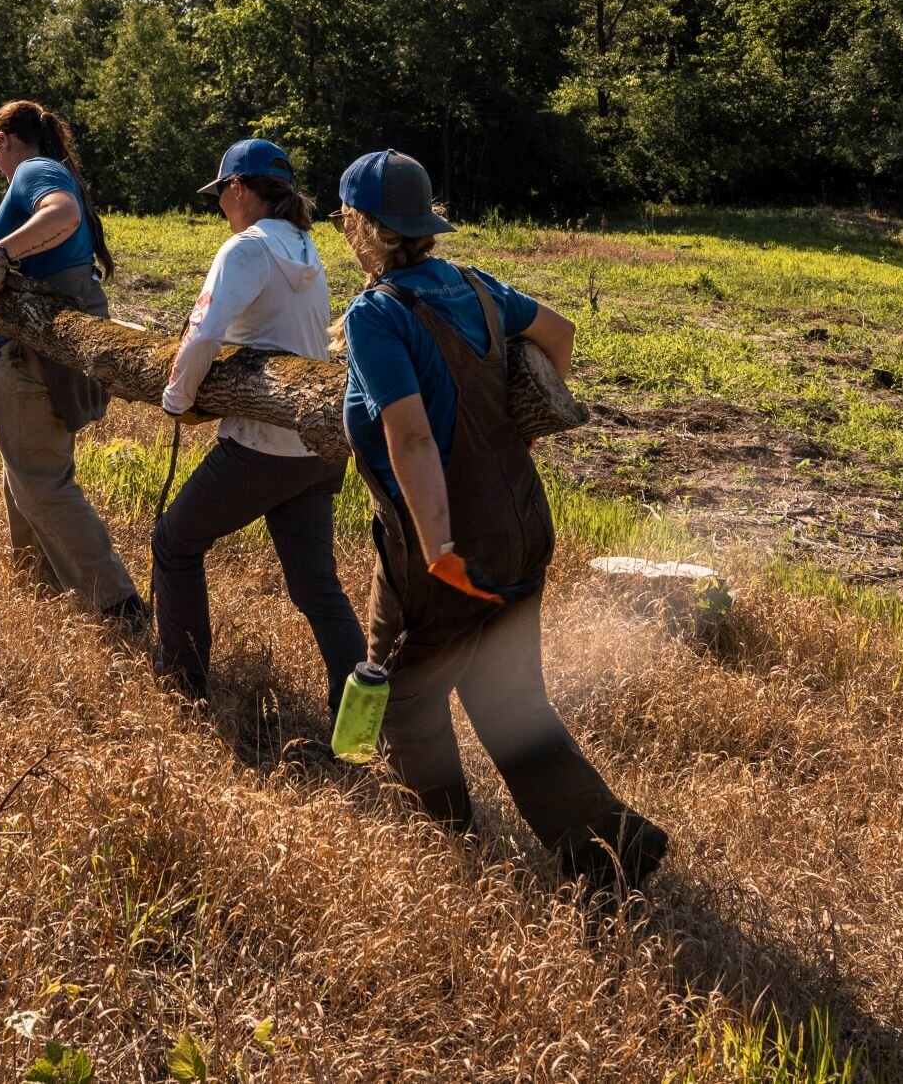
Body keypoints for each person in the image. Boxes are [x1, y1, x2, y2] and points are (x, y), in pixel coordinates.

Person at [334, 148, 667, 891]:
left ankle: (453, 853)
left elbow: (411, 435)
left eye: (342, 218)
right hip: (521, 520)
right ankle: (614, 844)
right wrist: (520, 431)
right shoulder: (475, 286)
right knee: (509, 700)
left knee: (401, 702)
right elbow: (560, 332)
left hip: (450, 543)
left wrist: (438, 548)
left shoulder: (377, 313)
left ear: (363, 225)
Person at [152, 138, 367, 714]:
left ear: (240, 188)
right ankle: (362, 721)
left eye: (221, 192)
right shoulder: (304, 245)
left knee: (175, 542)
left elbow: (203, 333)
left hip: (262, 444)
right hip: (318, 445)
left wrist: (177, 400)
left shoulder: (245, 249)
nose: (220, 204)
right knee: (317, 588)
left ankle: (183, 691)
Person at [0, 99, 145, 626]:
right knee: (24, 476)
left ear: (2, 139)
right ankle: (39, 593)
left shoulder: (34, 170)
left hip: (32, 359)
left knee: (42, 484)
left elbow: (61, 215)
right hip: (41, 355)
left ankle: (119, 604)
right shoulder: (48, 169)